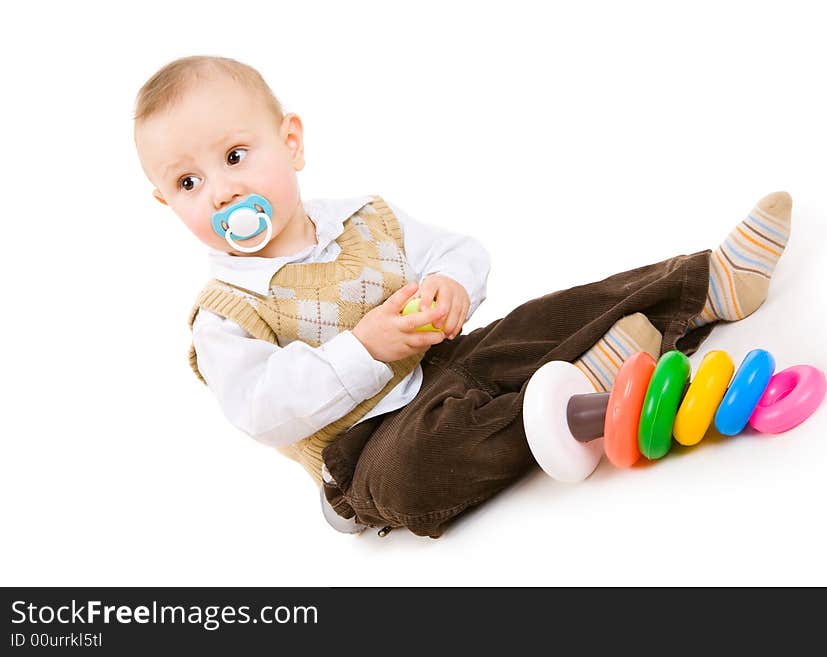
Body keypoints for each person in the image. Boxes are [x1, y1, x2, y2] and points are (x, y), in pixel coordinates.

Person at [134, 56, 792, 538]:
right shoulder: (225, 316)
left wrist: (451, 286)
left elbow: (460, 252)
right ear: (167, 202)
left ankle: (709, 282)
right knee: (414, 474)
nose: (220, 191)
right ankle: (572, 402)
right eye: (188, 182)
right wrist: (365, 347)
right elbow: (261, 408)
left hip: (449, 366)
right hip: (369, 447)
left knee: (539, 319)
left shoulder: (367, 217)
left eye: (236, 155)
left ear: (291, 141)